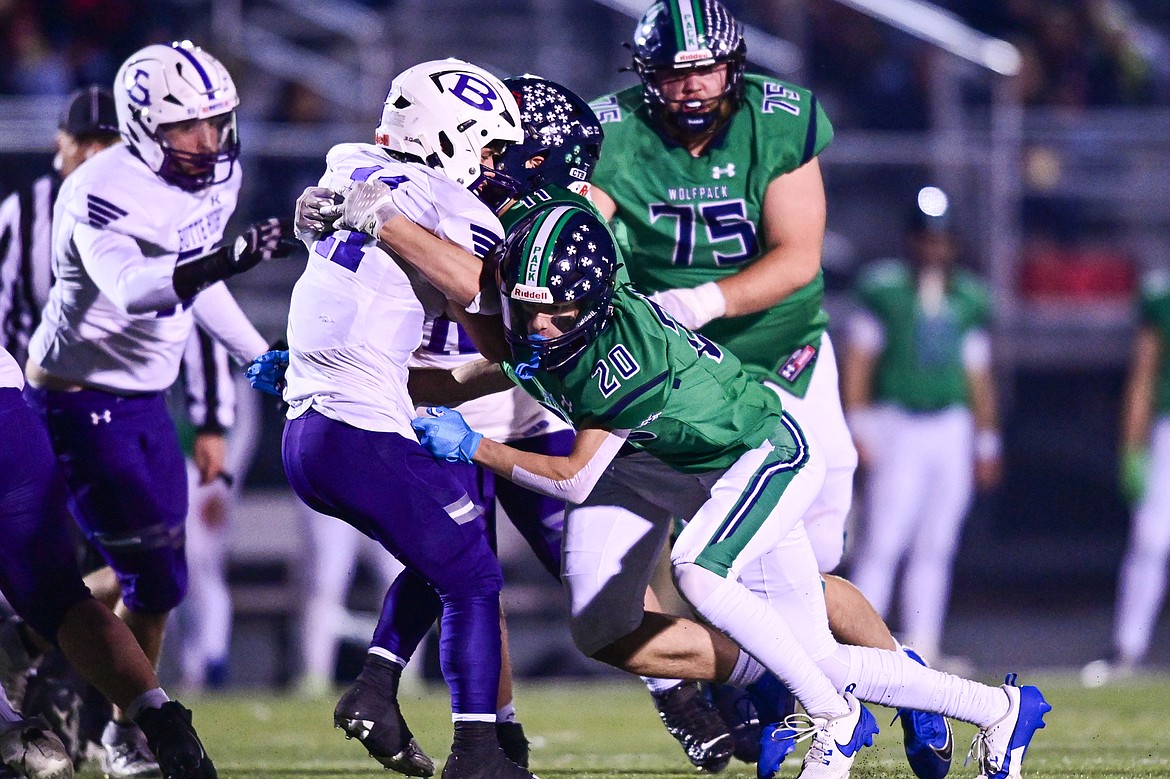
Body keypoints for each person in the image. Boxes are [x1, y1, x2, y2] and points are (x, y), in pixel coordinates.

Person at [326, 176, 1052, 779]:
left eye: (556, 313)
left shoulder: (617, 360)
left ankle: (832, 718)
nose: (538, 326)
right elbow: (476, 368)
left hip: (764, 455)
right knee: (821, 655)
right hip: (720, 470)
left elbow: (576, 478)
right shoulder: (559, 323)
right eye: (529, 308)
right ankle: (998, 711)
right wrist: (337, 378)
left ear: (592, 305)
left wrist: (476, 449)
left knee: (698, 571)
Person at [586, 1, 949, 774]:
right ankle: (821, 697)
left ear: (734, 64)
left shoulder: (777, 120)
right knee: (749, 569)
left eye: (704, 70)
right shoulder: (612, 131)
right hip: (683, 378)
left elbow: (798, 259)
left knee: (807, 564)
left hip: (782, 359)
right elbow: (583, 237)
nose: (690, 89)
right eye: (674, 74)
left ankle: (911, 684)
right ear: (646, 75)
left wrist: (697, 301)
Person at [23, 41, 294, 777]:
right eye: (187, 127)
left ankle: (109, 721)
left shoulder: (215, 171)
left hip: (145, 395)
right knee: (145, 570)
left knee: (159, 579)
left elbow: (197, 284)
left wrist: (252, 353)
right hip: (77, 398)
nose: (207, 141)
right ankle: (113, 709)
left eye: (216, 123)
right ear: (141, 124)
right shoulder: (100, 187)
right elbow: (138, 289)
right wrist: (229, 257)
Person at [276, 57, 537, 779]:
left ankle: (375, 689)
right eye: (484, 147)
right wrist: (394, 224)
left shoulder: (349, 164)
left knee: (446, 550)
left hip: (311, 431)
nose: (489, 166)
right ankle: (480, 753)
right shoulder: (444, 203)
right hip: (358, 429)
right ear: (447, 134)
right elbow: (475, 289)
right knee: (476, 575)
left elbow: (355, 223)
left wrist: (379, 219)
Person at [1, 343, 219, 779]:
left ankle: (11, 732)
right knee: (64, 598)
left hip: (69, 404)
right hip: (11, 413)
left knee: (83, 591)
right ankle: (161, 719)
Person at [843, 186, 1002, 668]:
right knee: (883, 539)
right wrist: (859, 422)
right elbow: (859, 359)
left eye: (942, 238)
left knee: (936, 541)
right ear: (912, 240)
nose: (935, 247)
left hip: (950, 426)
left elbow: (978, 373)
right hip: (898, 422)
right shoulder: (885, 289)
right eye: (927, 237)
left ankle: (922, 645)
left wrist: (987, 438)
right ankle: (861, 647)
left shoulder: (970, 297)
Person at [1082, 263, 1170, 685]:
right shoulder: (1162, 294)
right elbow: (1144, 375)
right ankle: (1128, 647)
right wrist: (1133, 446)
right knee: (1151, 540)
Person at [1, 85, 121, 369]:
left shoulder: (152, 209)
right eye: (82, 140)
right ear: (59, 144)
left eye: (106, 141)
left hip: (123, 395)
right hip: (33, 391)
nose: (93, 154)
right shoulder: (20, 214)